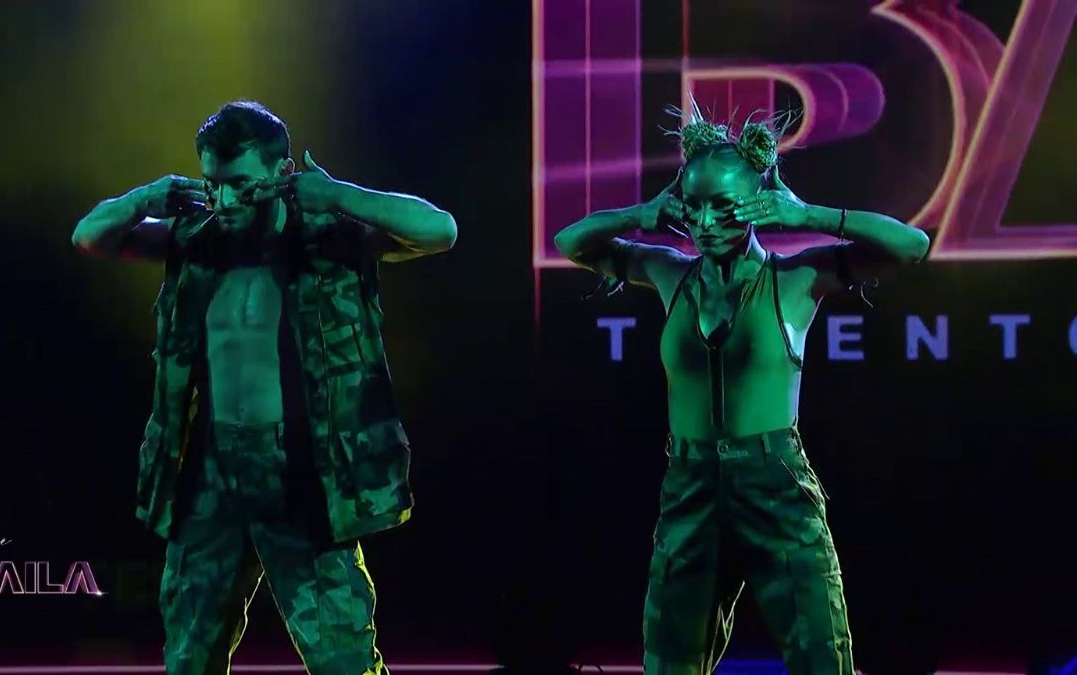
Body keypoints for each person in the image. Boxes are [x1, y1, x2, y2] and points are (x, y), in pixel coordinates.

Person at [72, 100, 457, 675]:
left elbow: (440, 230)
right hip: (211, 474)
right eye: (212, 184)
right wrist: (145, 199)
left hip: (301, 474)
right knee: (189, 658)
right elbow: (89, 237)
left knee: (343, 658)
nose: (225, 201)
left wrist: (337, 194)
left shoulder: (329, 238)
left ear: (282, 173)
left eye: (241, 185)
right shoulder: (195, 240)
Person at [553, 104, 929, 674]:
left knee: (821, 657)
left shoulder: (794, 278)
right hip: (690, 486)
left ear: (755, 203)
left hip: (773, 481)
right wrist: (643, 212)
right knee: (670, 661)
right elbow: (570, 242)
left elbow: (910, 246)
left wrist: (806, 213)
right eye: (694, 205)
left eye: (724, 206)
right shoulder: (670, 273)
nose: (705, 222)